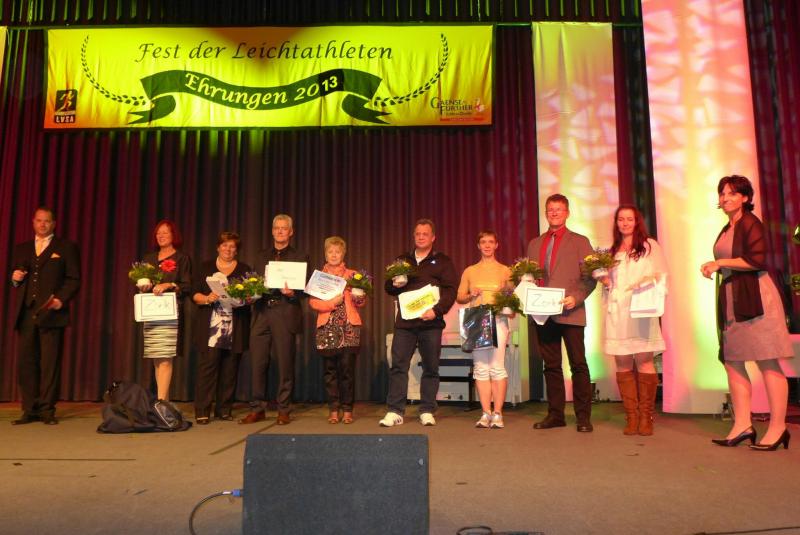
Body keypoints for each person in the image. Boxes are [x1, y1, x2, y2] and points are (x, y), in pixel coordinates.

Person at [701, 175, 793, 451]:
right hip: (734, 297)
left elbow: (757, 260)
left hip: (756, 298)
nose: (725, 198)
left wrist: (719, 263)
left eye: (732, 193)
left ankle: (778, 427)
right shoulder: (727, 227)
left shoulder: (752, 223)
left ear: (745, 198)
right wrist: (717, 266)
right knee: (732, 361)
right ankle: (742, 424)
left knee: (767, 361)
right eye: (722, 193)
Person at [527, 194, 597, 432]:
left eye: (559, 209)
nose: (554, 213)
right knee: (551, 365)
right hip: (543, 314)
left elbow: (591, 278)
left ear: (567, 213)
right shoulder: (534, 244)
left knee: (578, 364)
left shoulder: (580, 241)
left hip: (571, 311)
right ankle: (555, 415)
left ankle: (583, 418)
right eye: (550, 209)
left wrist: (576, 298)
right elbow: (528, 277)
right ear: (546, 213)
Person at [380, 219, 458, 427]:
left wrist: (436, 311)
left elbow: (451, 290)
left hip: (431, 323)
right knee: (398, 366)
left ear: (433, 237)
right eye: (418, 234)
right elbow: (388, 288)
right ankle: (395, 411)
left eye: (425, 234)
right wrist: (395, 283)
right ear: (414, 236)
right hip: (405, 324)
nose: (421, 237)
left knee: (431, 367)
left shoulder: (442, 261)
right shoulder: (402, 260)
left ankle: (427, 410)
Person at [598, 205, 667, 436]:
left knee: (645, 361)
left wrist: (646, 282)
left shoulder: (649, 246)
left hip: (642, 310)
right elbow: (609, 284)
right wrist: (604, 281)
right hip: (618, 313)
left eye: (629, 219)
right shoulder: (610, 251)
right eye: (621, 219)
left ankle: (646, 416)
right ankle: (632, 416)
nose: (625, 223)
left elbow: (661, 275)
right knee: (623, 363)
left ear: (637, 221)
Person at [10, 207, 80, 425]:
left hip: (52, 312)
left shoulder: (65, 247)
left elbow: (74, 279)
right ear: (33, 222)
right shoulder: (22, 248)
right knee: (27, 362)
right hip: (27, 312)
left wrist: (60, 299)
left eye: (47, 221)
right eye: (39, 220)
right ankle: (29, 409)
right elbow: (18, 279)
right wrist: (15, 279)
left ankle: (47, 410)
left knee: (50, 363)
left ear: (54, 224)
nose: (42, 224)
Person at [240, 214, 309, 426]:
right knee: (258, 362)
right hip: (261, 311)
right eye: (276, 228)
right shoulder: (261, 256)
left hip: (285, 310)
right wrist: (250, 294)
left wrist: (292, 293)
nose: (280, 231)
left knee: (285, 363)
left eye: (284, 228)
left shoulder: (299, 256)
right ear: (272, 231)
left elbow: (305, 288)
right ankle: (257, 408)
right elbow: (255, 282)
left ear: (291, 232)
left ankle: (283, 409)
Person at [191, 231, 251, 424]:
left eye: (232, 246)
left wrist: (246, 298)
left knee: (230, 370)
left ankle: (224, 409)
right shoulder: (205, 267)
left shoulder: (244, 269)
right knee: (207, 370)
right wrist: (207, 298)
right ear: (218, 247)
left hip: (236, 326)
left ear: (237, 250)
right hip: (210, 328)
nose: (228, 249)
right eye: (225, 245)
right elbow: (194, 294)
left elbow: (250, 297)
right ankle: (202, 410)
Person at [456, 231, 513, 428]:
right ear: (478, 246)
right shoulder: (470, 271)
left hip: (498, 320)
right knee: (480, 368)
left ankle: (498, 413)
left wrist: (508, 306)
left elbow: (512, 298)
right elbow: (460, 297)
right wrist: (470, 294)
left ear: (496, 245)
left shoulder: (505, 270)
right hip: (476, 320)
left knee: (497, 367)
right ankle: (485, 413)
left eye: (490, 242)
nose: (487, 245)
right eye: (483, 242)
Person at [308, 237, 366, 424]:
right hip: (327, 328)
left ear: (343, 254)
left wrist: (359, 297)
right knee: (330, 371)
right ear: (325, 254)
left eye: (337, 252)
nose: (334, 255)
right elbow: (313, 302)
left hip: (349, 328)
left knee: (347, 371)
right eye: (330, 252)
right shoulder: (319, 277)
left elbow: (361, 302)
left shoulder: (353, 275)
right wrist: (332, 303)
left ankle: (347, 409)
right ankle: (334, 409)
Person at [140, 220, 192, 401]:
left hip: (170, 313)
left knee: (165, 358)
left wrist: (168, 284)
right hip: (151, 312)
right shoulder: (149, 258)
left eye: (165, 232)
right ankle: (164, 401)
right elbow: (141, 282)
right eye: (158, 233)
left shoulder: (181, 258)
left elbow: (187, 286)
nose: (161, 236)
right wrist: (144, 286)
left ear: (173, 235)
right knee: (157, 358)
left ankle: (162, 402)